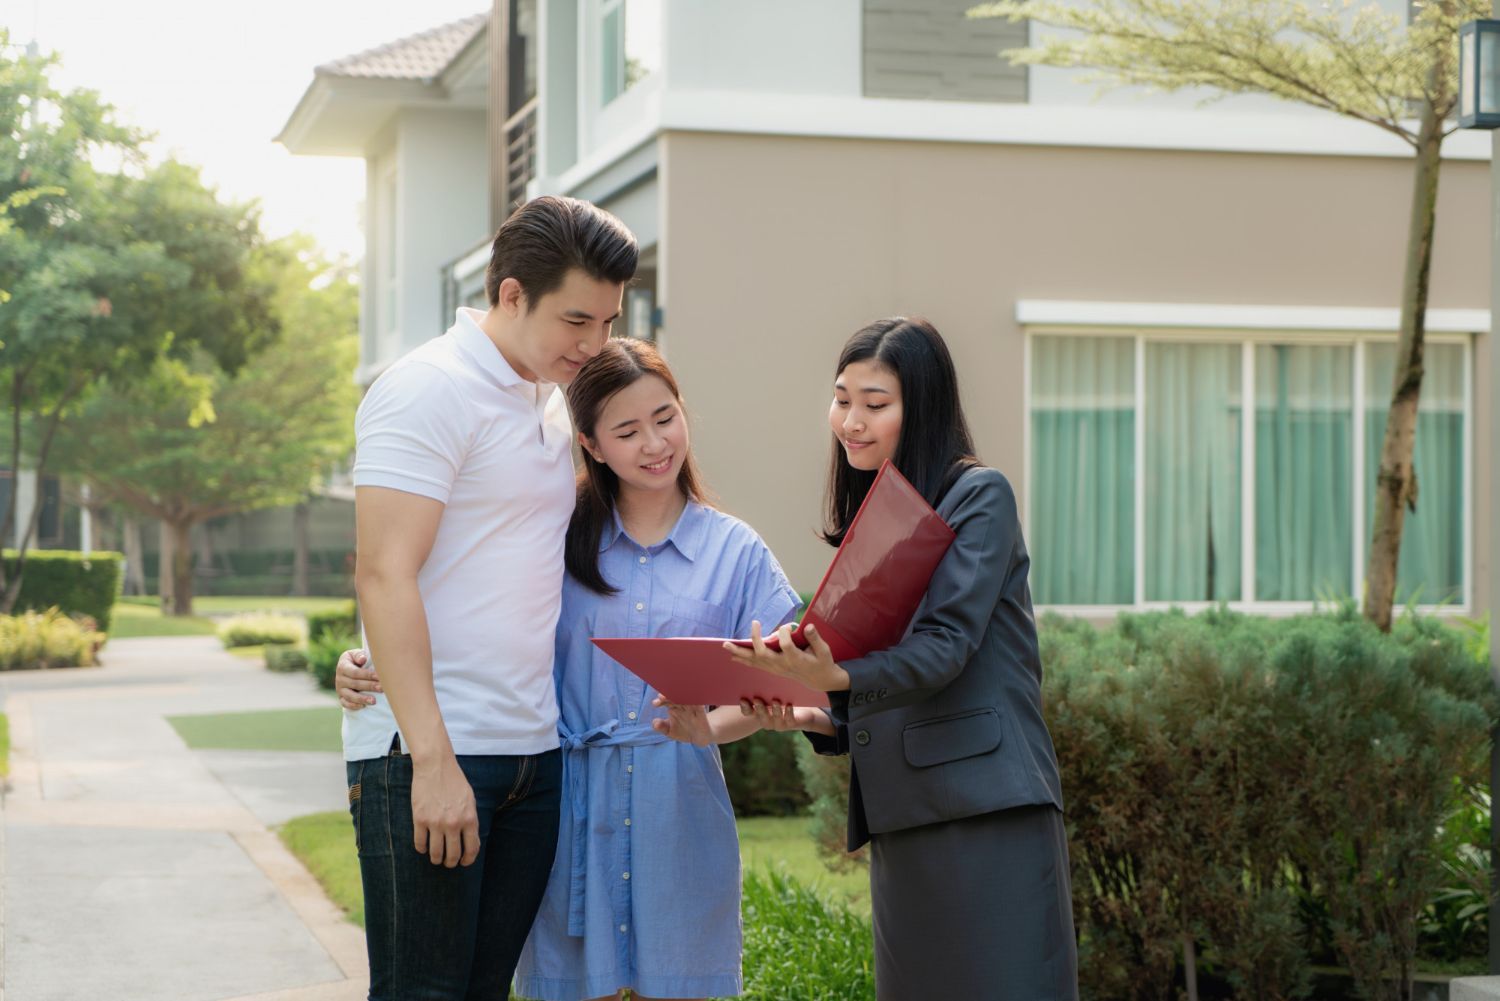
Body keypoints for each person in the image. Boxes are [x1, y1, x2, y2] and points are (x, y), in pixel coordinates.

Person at [341, 337, 813, 1001]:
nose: (655, 443)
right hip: (562, 819)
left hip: (678, 815)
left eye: (665, 417)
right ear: (590, 443)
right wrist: (364, 659)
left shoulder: (736, 548)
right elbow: (461, 605)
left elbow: (793, 675)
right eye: (627, 430)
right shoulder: (555, 537)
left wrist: (718, 725)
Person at [660, 316, 1079, 999]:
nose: (851, 421)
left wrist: (838, 676)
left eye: (875, 404)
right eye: (842, 398)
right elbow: (889, 687)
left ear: (924, 407)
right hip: (907, 818)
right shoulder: (878, 520)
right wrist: (805, 710)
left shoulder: (979, 496)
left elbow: (945, 646)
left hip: (988, 816)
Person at [344, 195, 637, 1001]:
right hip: (434, 753)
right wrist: (432, 760)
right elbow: (382, 570)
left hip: (531, 755)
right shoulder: (426, 388)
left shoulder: (548, 398)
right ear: (511, 295)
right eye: (577, 320)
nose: (595, 343)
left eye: (609, 322)